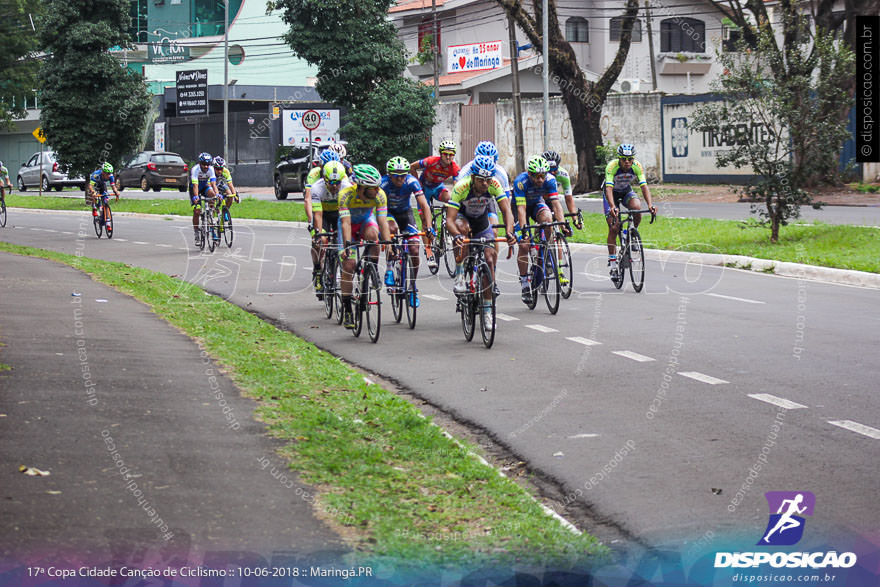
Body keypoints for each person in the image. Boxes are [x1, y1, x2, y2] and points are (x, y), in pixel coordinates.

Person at [445, 155, 515, 325]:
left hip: (481, 221)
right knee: (462, 229)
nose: (485, 183)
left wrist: (510, 232)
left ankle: (487, 310)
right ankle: (460, 274)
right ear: (473, 177)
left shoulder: (494, 185)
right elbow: (449, 220)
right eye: (482, 180)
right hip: (463, 218)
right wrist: (457, 236)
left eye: (488, 179)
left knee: (489, 259)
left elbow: (507, 211)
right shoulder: (462, 187)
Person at [337, 164, 392, 329]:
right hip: (348, 228)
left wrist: (388, 244)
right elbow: (345, 223)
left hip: (365, 223)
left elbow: (382, 221)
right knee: (349, 265)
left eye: (377, 187)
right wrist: (347, 246)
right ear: (361, 187)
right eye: (372, 188)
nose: (377, 191)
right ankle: (347, 309)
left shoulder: (380, 195)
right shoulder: (345, 195)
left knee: (374, 236)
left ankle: (371, 272)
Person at [514, 155, 568, 304]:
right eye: (536, 176)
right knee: (524, 245)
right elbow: (521, 209)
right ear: (529, 174)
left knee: (548, 219)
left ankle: (543, 250)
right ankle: (525, 284)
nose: (540, 180)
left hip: (537, 203)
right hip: (520, 207)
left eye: (542, 176)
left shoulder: (550, 180)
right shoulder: (521, 182)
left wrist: (563, 224)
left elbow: (556, 204)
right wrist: (525, 231)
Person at [381, 156, 433, 307]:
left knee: (415, 249)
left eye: (404, 174)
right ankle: (390, 268)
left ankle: (412, 287)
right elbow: (378, 208)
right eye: (397, 175)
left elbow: (425, 205)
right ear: (389, 174)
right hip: (388, 213)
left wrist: (428, 227)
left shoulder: (411, 181)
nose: (401, 178)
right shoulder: (383, 183)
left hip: (405, 213)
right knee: (392, 229)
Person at [604, 144, 656, 278]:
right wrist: (612, 206)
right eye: (624, 159)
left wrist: (650, 205)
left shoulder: (637, 166)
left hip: (626, 191)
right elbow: (608, 188)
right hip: (611, 194)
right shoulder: (612, 166)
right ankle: (613, 264)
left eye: (630, 159)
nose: (627, 162)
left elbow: (644, 187)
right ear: (619, 159)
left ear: (633, 159)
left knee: (637, 208)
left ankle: (631, 234)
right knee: (614, 227)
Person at [409, 140, 459, 267]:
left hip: (437, 188)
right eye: (445, 154)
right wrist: (417, 183)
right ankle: (429, 252)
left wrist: (455, 195)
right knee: (426, 222)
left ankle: (447, 226)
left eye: (451, 155)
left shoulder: (454, 167)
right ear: (441, 154)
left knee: (450, 198)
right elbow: (412, 166)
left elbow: (457, 185)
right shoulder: (431, 161)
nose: (448, 157)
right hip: (424, 190)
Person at [310, 161, 352, 293]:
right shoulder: (317, 188)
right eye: (331, 183)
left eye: (338, 182)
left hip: (339, 214)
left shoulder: (346, 187)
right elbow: (317, 215)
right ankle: (318, 270)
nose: (335, 186)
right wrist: (318, 234)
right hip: (324, 215)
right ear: (325, 179)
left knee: (344, 241)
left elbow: (347, 217)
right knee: (320, 241)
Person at [542, 149, 582, 229]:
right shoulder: (539, 175)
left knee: (561, 221)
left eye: (555, 169)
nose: (552, 172)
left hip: (553, 198)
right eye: (549, 170)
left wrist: (575, 219)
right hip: (541, 198)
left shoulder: (563, 174)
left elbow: (569, 199)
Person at [304, 149, 343, 228]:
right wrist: (310, 219)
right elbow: (308, 199)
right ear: (321, 166)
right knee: (321, 237)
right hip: (321, 209)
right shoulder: (314, 174)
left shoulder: (342, 175)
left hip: (337, 210)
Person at [190, 152, 219, 245]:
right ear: (200, 163)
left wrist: (217, 195)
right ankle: (196, 233)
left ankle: (211, 216)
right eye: (204, 164)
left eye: (208, 164)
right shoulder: (195, 169)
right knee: (197, 211)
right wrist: (196, 197)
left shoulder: (211, 169)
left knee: (212, 194)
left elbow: (214, 184)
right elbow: (195, 185)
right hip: (195, 188)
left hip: (205, 186)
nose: (206, 166)